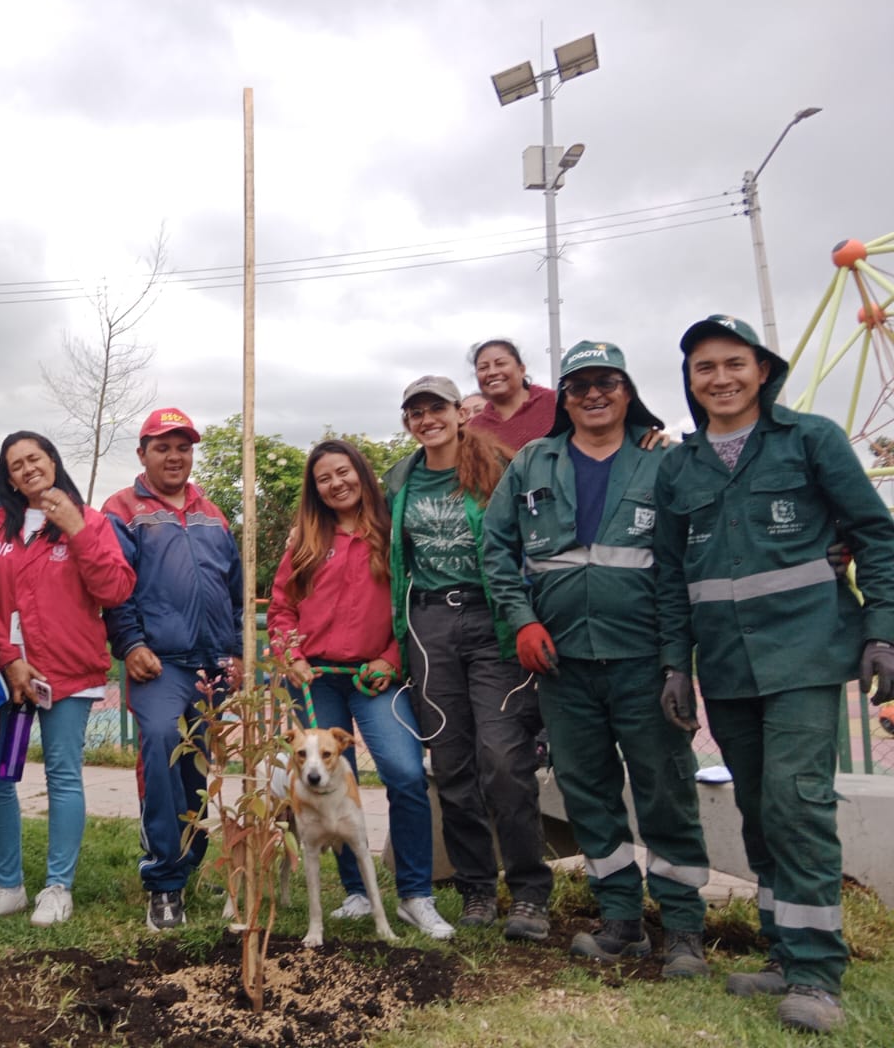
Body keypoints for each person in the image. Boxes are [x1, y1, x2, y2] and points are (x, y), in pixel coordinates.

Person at [655, 314, 894, 1034]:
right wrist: (675, 664)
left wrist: (883, 628)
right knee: (760, 811)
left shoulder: (810, 439)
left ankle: (818, 975)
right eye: (704, 368)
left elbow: (876, 532)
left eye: (734, 363)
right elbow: (670, 576)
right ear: (690, 382)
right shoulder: (680, 466)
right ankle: (786, 955)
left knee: (796, 802)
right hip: (726, 669)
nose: (720, 378)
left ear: (763, 370)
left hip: (805, 656)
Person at [483, 342, 710, 978]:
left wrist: (675, 663)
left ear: (628, 390)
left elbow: (683, 562)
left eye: (607, 382)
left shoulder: (660, 460)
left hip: (643, 660)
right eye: (579, 384)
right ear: (565, 397)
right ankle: (621, 921)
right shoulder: (533, 461)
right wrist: (521, 620)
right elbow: (495, 548)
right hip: (562, 664)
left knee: (665, 791)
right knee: (588, 794)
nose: (593, 394)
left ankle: (685, 928)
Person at [383, 376, 553, 941]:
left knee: (503, 761)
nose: (426, 418)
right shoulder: (400, 478)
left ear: (460, 413)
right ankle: (477, 888)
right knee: (451, 766)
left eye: (437, 408)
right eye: (416, 411)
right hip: (429, 625)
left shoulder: (498, 466)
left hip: (493, 620)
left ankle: (528, 891)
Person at [268, 439, 454, 941]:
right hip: (317, 678)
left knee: (404, 772)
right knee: (323, 781)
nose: (336, 483)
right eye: (324, 477)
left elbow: (413, 605)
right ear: (315, 487)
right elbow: (281, 607)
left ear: (361, 473)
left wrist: (391, 659)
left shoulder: (392, 532)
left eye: (343, 472)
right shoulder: (306, 539)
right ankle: (354, 890)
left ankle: (416, 895)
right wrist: (291, 655)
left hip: (375, 678)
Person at [0, 432, 136, 926]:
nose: (26, 469)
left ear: (52, 461)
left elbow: (116, 588)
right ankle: (8, 886)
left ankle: (58, 887)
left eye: (34, 458)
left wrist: (77, 532)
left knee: (63, 775)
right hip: (6, 675)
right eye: (15, 464)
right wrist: (8, 658)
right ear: (8, 476)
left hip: (68, 672)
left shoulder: (91, 521)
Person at [102, 407, 243, 932]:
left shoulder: (213, 513)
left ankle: (189, 858)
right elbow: (114, 586)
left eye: (183, 447)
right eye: (162, 446)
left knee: (198, 770)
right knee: (162, 747)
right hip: (158, 663)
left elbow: (233, 590)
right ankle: (164, 882)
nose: (174, 456)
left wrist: (238, 652)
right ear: (142, 454)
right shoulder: (123, 509)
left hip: (213, 666)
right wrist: (130, 642)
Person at [466, 339, 558, 452]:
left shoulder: (555, 403)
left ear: (522, 370)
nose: (492, 372)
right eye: (483, 368)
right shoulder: (475, 428)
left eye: (500, 364)